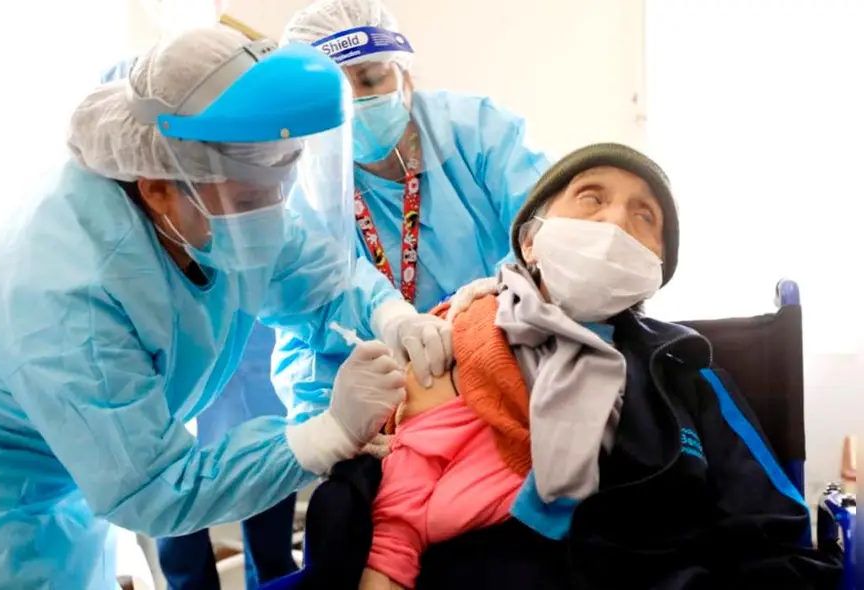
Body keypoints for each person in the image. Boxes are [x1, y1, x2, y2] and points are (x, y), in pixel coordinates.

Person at [0, 25, 458, 589]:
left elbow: (318, 275)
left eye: (281, 189)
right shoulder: (67, 288)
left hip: (48, 406)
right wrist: (322, 436)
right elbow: (154, 486)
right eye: (254, 197)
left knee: (80, 566)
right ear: (156, 187)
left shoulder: (205, 199)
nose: (272, 214)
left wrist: (393, 316)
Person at [288, 143, 844, 589]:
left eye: (644, 215)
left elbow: (772, 531)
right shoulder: (459, 344)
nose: (615, 222)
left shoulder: (683, 368)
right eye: (591, 198)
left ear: (656, 265)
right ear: (531, 240)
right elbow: (398, 515)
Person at [271, 0, 551, 415]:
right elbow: (309, 325)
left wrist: (489, 310)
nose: (358, 101)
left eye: (371, 78)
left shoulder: (478, 133)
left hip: (507, 363)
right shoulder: (307, 193)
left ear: (404, 71)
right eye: (338, 92)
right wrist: (340, 431)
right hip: (392, 408)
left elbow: (548, 234)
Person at [100, 57, 300, 590]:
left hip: (250, 362)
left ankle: (273, 577)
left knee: (270, 503)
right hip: (168, 391)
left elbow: (306, 268)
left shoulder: (242, 190)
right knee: (178, 514)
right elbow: (154, 486)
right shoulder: (116, 252)